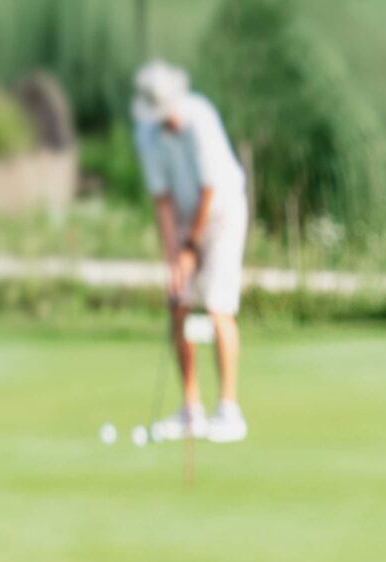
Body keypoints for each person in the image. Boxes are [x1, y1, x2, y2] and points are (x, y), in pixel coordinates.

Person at [131, 61, 249, 443]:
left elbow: (210, 190)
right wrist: (173, 260)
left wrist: (190, 247)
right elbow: (163, 201)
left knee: (217, 306)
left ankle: (229, 411)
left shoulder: (201, 118)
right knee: (178, 304)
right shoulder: (147, 135)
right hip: (185, 216)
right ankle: (190, 410)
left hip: (224, 213)